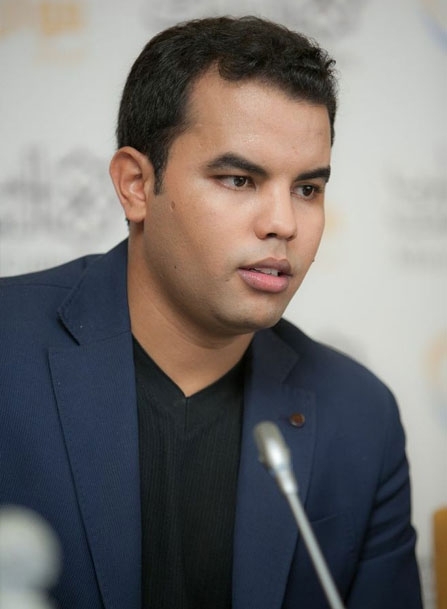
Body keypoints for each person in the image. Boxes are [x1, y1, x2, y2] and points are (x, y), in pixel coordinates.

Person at [0, 15, 423, 609]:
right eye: (239, 179)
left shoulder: (360, 416)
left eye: (307, 188)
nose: (283, 223)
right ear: (136, 185)